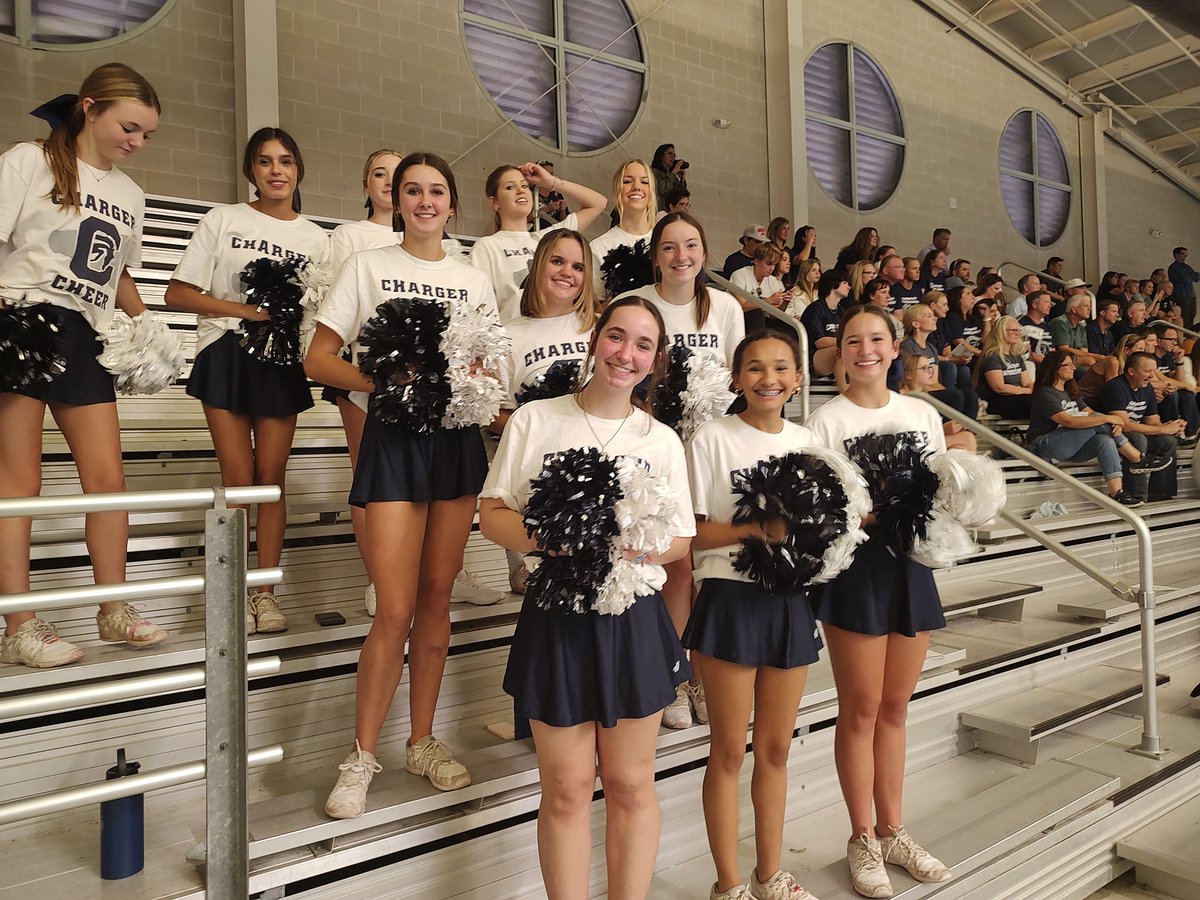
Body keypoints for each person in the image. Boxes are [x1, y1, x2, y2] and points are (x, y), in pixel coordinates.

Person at [479, 296, 695, 900]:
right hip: (557, 617)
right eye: (616, 336)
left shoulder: (663, 440)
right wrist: (554, 540)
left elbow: (681, 540)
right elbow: (492, 514)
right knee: (567, 787)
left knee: (629, 783)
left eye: (643, 345)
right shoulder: (536, 420)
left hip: (632, 619)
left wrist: (633, 548)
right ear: (595, 338)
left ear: (656, 361)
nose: (626, 354)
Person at [314, 152, 499, 818]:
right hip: (392, 443)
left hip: (453, 444)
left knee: (436, 597)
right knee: (393, 609)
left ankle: (421, 740)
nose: (424, 200)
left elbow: (485, 366)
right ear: (397, 200)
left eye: (437, 191)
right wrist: (385, 390)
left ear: (454, 205)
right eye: (412, 190)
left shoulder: (473, 279)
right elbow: (319, 358)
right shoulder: (367, 267)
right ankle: (361, 756)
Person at [0, 64, 168, 668]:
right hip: (22, 320)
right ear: (90, 108)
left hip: (87, 333)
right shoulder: (30, 160)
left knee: (108, 478)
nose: (137, 143)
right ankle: (20, 624)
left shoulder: (132, 194)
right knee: (19, 483)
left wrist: (147, 324)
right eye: (129, 127)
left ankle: (112, 606)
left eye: (146, 135)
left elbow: (118, 272)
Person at [806, 304, 953, 899]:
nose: (865, 349)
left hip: (911, 564)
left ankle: (894, 829)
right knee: (861, 707)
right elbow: (819, 508)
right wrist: (870, 510)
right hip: (856, 568)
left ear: (896, 348)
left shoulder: (920, 413)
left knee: (896, 706)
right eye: (852, 341)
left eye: (876, 339)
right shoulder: (823, 420)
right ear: (840, 352)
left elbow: (940, 492)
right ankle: (861, 836)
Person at [165, 127, 329, 636]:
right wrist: (246, 311)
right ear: (250, 171)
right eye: (264, 161)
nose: (275, 170)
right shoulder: (224, 219)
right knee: (238, 479)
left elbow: (321, 309)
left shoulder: (317, 239)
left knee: (270, 483)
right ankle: (232, 593)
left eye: (285, 160)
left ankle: (265, 595)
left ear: (298, 169)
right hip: (227, 352)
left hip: (281, 361)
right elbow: (177, 293)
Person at [684, 330, 824, 900]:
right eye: (755, 368)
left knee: (775, 749)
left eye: (781, 368)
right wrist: (756, 530)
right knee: (726, 750)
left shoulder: (809, 440)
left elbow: (821, 524)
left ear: (796, 378)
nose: (769, 379)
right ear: (737, 378)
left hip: (790, 603)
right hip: (730, 601)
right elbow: (690, 535)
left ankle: (771, 875)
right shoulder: (712, 439)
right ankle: (729, 884)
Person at [622, 212, 744, 730]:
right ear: (655, 256)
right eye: (668, 247)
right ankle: (672, 676)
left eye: (690, 245)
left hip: (711, 453)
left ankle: (702, 674)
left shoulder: (727, 307)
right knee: (673, 569)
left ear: (705, 252)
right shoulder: (636, 306)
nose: (680, 256)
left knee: (706, 571)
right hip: (656, 452)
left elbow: (739, 380)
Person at [489, 229, 602, 596]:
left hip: (600, 469)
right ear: (538, 265)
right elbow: (492, 411)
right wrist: (545, 422)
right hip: (539, 476)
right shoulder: (508, 334)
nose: (567, 272)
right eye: (557, 261)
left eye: (577, 266)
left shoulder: (601, 328)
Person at [471, 162, 607, 322]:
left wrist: (550, 182)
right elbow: (480, 308)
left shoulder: (549, 239)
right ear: (494, 202)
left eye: (525, 186)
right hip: (514, 339)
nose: (521, 190)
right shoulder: (487, 246)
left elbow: (598, 204)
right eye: (510, 187)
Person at [1026, 351, 1163, 506]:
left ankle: (1117, 493)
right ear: (1054, 368)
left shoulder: (1069, 391)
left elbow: (1090, 413)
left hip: (1069, 445)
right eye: (1068, 364)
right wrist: (1107, 418)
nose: (1074, 368)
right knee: (1100, 423)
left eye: (1073, 364)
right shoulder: (1046, 393)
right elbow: (1068, 421)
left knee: (1104, 440)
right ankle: (1137, 459)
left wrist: (1114, 422)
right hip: (1044, 444)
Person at [1095, 352, 1183, 503]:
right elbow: (1125, 425)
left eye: (1153, 371)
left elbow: (1152, 421)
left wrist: (1169, 427)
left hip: (1131, 433)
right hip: (1111, 435)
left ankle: (1161, 496)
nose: (1152, 376)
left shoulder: (1146, 389)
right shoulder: (1115, 387)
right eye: (1147, 371)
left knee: (1167, 441)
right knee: (1138, 438)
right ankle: (1136, 495)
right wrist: (1162, 429)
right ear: (1131, 371)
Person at [590, 159, 658, 299]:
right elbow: (596, 307)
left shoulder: (665, 243)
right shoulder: (598, 247)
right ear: (617, 189)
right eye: (627, 181)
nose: (636, 187)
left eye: (644, 182)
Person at [900, 305, 978, 420]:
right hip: (917, 392)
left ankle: (966, 431)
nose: (934, 318)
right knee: (956, 396)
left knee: (970, 395)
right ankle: (946, 430)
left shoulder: (931, 348)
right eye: (929, 316)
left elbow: (934, 381)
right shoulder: (907, 347)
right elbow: (913, 383)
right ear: (916, 324)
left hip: (930, 389)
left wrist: (945, 391)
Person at [898, 355, 977, 452]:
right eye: (924, 368)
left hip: (926, 440)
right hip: (909, 446)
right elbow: (908, 433)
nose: (931, 371)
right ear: (908, 374)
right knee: (967, 439)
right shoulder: (902, 397)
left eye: (930, 367)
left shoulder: (926, 396)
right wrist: (942, 430)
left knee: (965, 440)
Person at [973, 316, 1033, 419]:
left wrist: (1038, 390)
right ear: (1001, 332)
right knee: (1035, 403)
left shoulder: (1016, 356)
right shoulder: (992, 356)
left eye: (1018, 330)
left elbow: (1027, 382)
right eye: (1013, 330)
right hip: (997, 400)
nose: (1017, 333)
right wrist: (1029, 391)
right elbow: (1000, 387)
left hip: (1016, 397)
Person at [1149, 324, 1200, 443]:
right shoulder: (1150, 357)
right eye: (1171, 339)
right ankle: (1173, 431)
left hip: (1168, 390)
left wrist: (1179, 362)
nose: (1175, 343)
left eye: (1176, 340)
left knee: (1186, 394)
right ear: (1158, 340)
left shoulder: (1167, 357)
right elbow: (1163, 380)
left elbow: (1179, 381)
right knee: (1175, 392)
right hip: (1157, 393)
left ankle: (1192, 433)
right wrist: (1185, 385)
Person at [802, 269, 850, 376]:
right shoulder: (815, 309)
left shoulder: (842, 311)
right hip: (814, 358)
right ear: (833, 284)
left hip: (836, 354)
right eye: (845, 283)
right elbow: (820, 342)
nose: (849, 287)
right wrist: (848, 341)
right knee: (847, 350)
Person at [730, 242, 787, 332]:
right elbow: (741, 307)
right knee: (757, 313)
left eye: (774, 265)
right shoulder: (739, 275)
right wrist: (769, 300)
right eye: (769, 264)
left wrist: (785, 303)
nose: (772, 268)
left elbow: (773, 315)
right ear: (756, 261)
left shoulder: (773, 281)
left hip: (762, 322)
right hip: (737, 319)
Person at [1048, 293, 1100, 370]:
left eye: (1090, 306)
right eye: (1085, 306)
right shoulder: (1060, 322)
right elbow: (1064, 349)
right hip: (1060, 360)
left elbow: (1084, 352)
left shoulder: (1082, 328)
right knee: (1090, 361)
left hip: (1074, 359)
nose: (1090, 309)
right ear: (1074, 309)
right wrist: (1096, 356)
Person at [651, 143, 688, 210]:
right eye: (670, 154)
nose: (673, 157)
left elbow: (682, 195)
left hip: (671, 213)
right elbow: (661, 188)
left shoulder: (672, 176)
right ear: (661, 155)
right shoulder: (653, 172)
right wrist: (673, 173)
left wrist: (682, 179)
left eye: (674, 155)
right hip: (658, 212)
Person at [1167, 247, 1198, 327]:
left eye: (1186, 254)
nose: (1185, 255)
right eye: (1183, 253)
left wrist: (1191, 276)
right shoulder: (1173, 267)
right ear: (1176, 255)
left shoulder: (1187, 267)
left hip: (1191, 295)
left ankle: (1189, 334)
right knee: (1184, 316)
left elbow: (1197, 278)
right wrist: (1192, 276)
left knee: (1191, 315)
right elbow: (1185, 279)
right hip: (1181, 295)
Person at [534, 160, 569, 229]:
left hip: (553, 235)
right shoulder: (531, 193)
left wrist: (562, 210)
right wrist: (547, 209)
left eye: (552, 174)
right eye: (547, 174)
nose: (550, 177)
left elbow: (564, 223)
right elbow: (524, 219)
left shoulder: (557, 195)